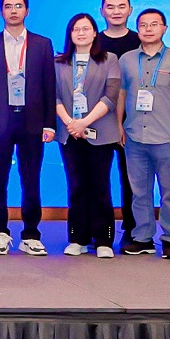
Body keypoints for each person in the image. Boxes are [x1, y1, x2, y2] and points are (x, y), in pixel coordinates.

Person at [0, 0, 57, 255]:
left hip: (32, 121)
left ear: (27, 11)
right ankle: (0, 232)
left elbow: (49, 85)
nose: (13, 10)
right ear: (1, 11)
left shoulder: (42, 44)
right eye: (8, 6)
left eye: (18, 6)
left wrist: (49, 123)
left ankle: (31, 234)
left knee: (31, 178)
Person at [118, 8, 170, 259]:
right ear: (137, 28)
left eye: (154, 24)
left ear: (164, 28)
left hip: (167, 137)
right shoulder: (127, 59)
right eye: (143, 25)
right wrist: (119, 125)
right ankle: (143, 238)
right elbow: (121, 94)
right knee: (139, 192)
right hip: (134, 136)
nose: (148, 29)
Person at [55, 14, 121, 258]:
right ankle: (78, 238)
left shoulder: (109, 59)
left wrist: (84, 122)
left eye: (86, 28)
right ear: (70, 34)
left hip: (100, 131)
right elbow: (53, 96)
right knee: (76, 186)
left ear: (95, 33)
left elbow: (111, 96)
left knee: (100, 186)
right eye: (76, 29)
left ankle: (103, 240)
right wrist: (71, 123)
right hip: (69, 133)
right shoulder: (59, 62)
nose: (81, 33)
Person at [97, 0, 140, 246]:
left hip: (133, 120)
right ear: (102, 11)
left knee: (131, 179)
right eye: (110, 7)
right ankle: (99, 231)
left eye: (121, 6)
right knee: (98, 179)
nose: (116, 11)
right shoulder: (93, 41)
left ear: (130, 10)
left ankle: (133, 230)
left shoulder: (140, 40)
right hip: (98, 119)